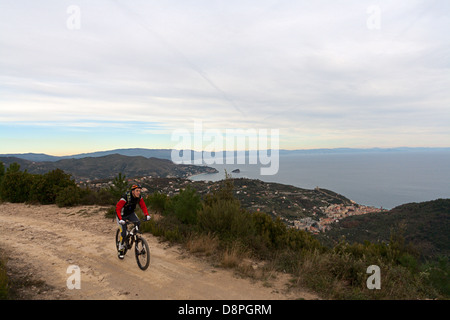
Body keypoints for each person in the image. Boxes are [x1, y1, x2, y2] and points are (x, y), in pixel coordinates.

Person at [116, 184, 151, 259]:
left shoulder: (139, 198)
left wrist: (146, 214)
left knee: (138, 222)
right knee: (124, 233)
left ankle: (133, 236)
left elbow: (143, 206)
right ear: (133, 191)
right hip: (121, 215)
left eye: (139, 191)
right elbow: (118, 209)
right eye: (137, 191)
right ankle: (121, 249)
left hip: (130, 213)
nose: (138, 192)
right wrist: (120, 219)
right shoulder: (125, 198)